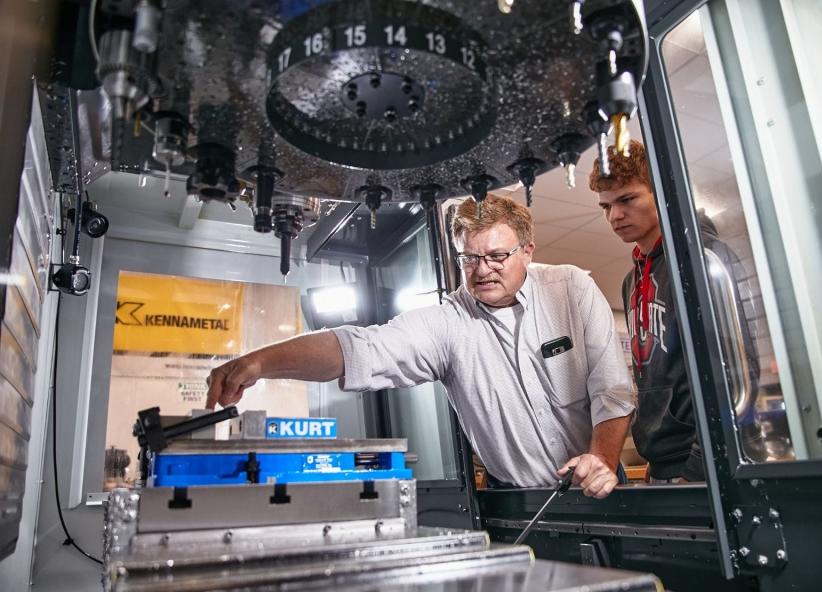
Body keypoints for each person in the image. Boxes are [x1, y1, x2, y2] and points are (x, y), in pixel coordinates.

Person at [206, 193, 635, 499]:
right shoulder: (448, 322)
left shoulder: (571, 288)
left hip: (604, 492)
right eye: (469, 259)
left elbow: (611, 390)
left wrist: (600, 461)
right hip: (518, 506)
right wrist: (260, 362)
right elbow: (360, 350)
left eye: (496, 257)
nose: (482, 270)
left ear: (527, 250)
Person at [588, 140, 755, 483]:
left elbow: (734, 373)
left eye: (627, 200)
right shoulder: (630, 282)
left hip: (704, 467)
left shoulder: (703, 259)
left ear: (661, 192)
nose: (615, 216)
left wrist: (698, 466)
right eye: (606, 207)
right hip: (662, 466)